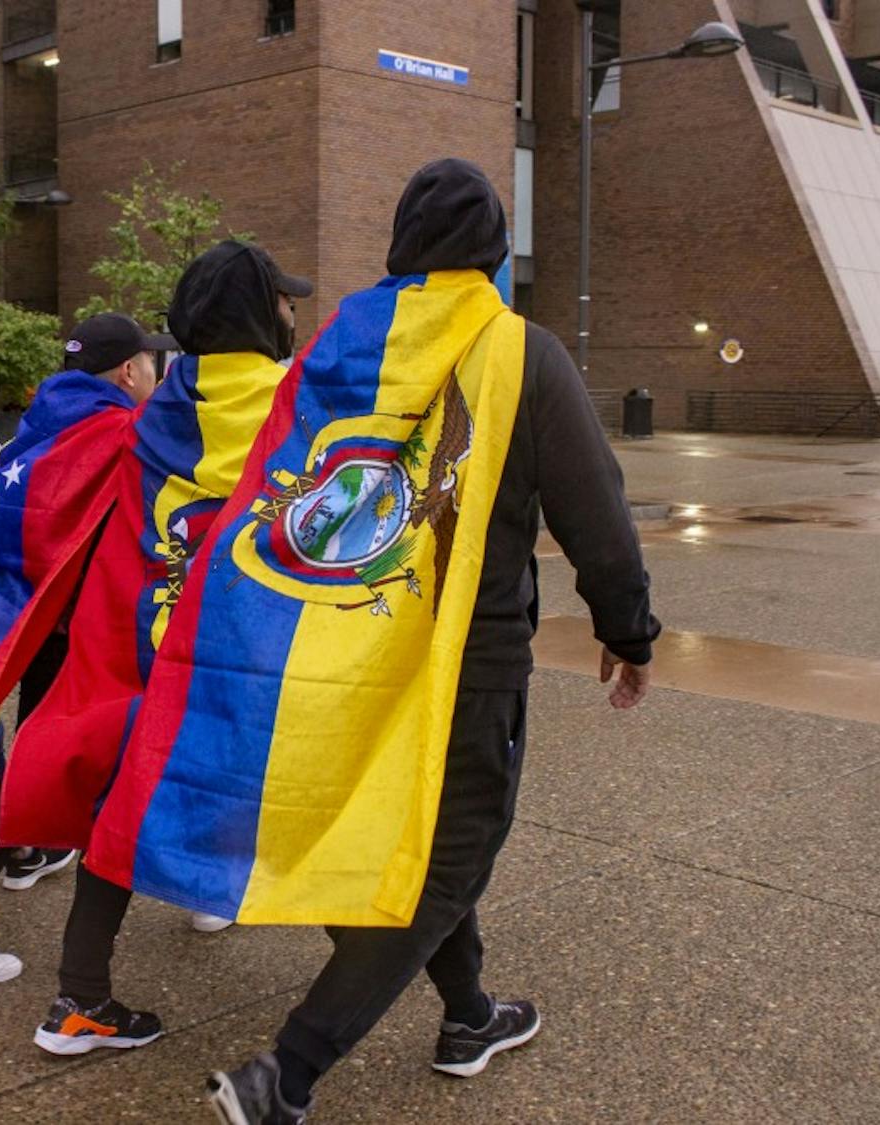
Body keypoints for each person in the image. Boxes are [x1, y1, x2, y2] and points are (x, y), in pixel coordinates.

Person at [203, 159, 660, 1124]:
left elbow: (277, 488)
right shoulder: (517, 350)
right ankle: (286, 1073)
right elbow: (596, 510)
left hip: (345, 648)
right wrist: (629, 628)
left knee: (412, 838)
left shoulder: (343, 343)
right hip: (466, 659)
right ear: (494, 249)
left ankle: (469, 1015)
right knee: (452, 854)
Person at [0, 244, 313, 1054]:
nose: (293, 314)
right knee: (323, 814)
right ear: (261, 312)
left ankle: (79, 996)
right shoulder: (295, 408)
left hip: (146, 656)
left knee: (122, 807)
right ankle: (433, 999)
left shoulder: (157, 409)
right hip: (251, 668)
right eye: (286, 301)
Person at [0, 312, 174, 983]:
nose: (154, 371)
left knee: (47, 764)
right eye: (149, 361)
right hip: (88, 634)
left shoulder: (41, 423)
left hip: (39, 623)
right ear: (127, 371)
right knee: (98, 763)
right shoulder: (117, 434)